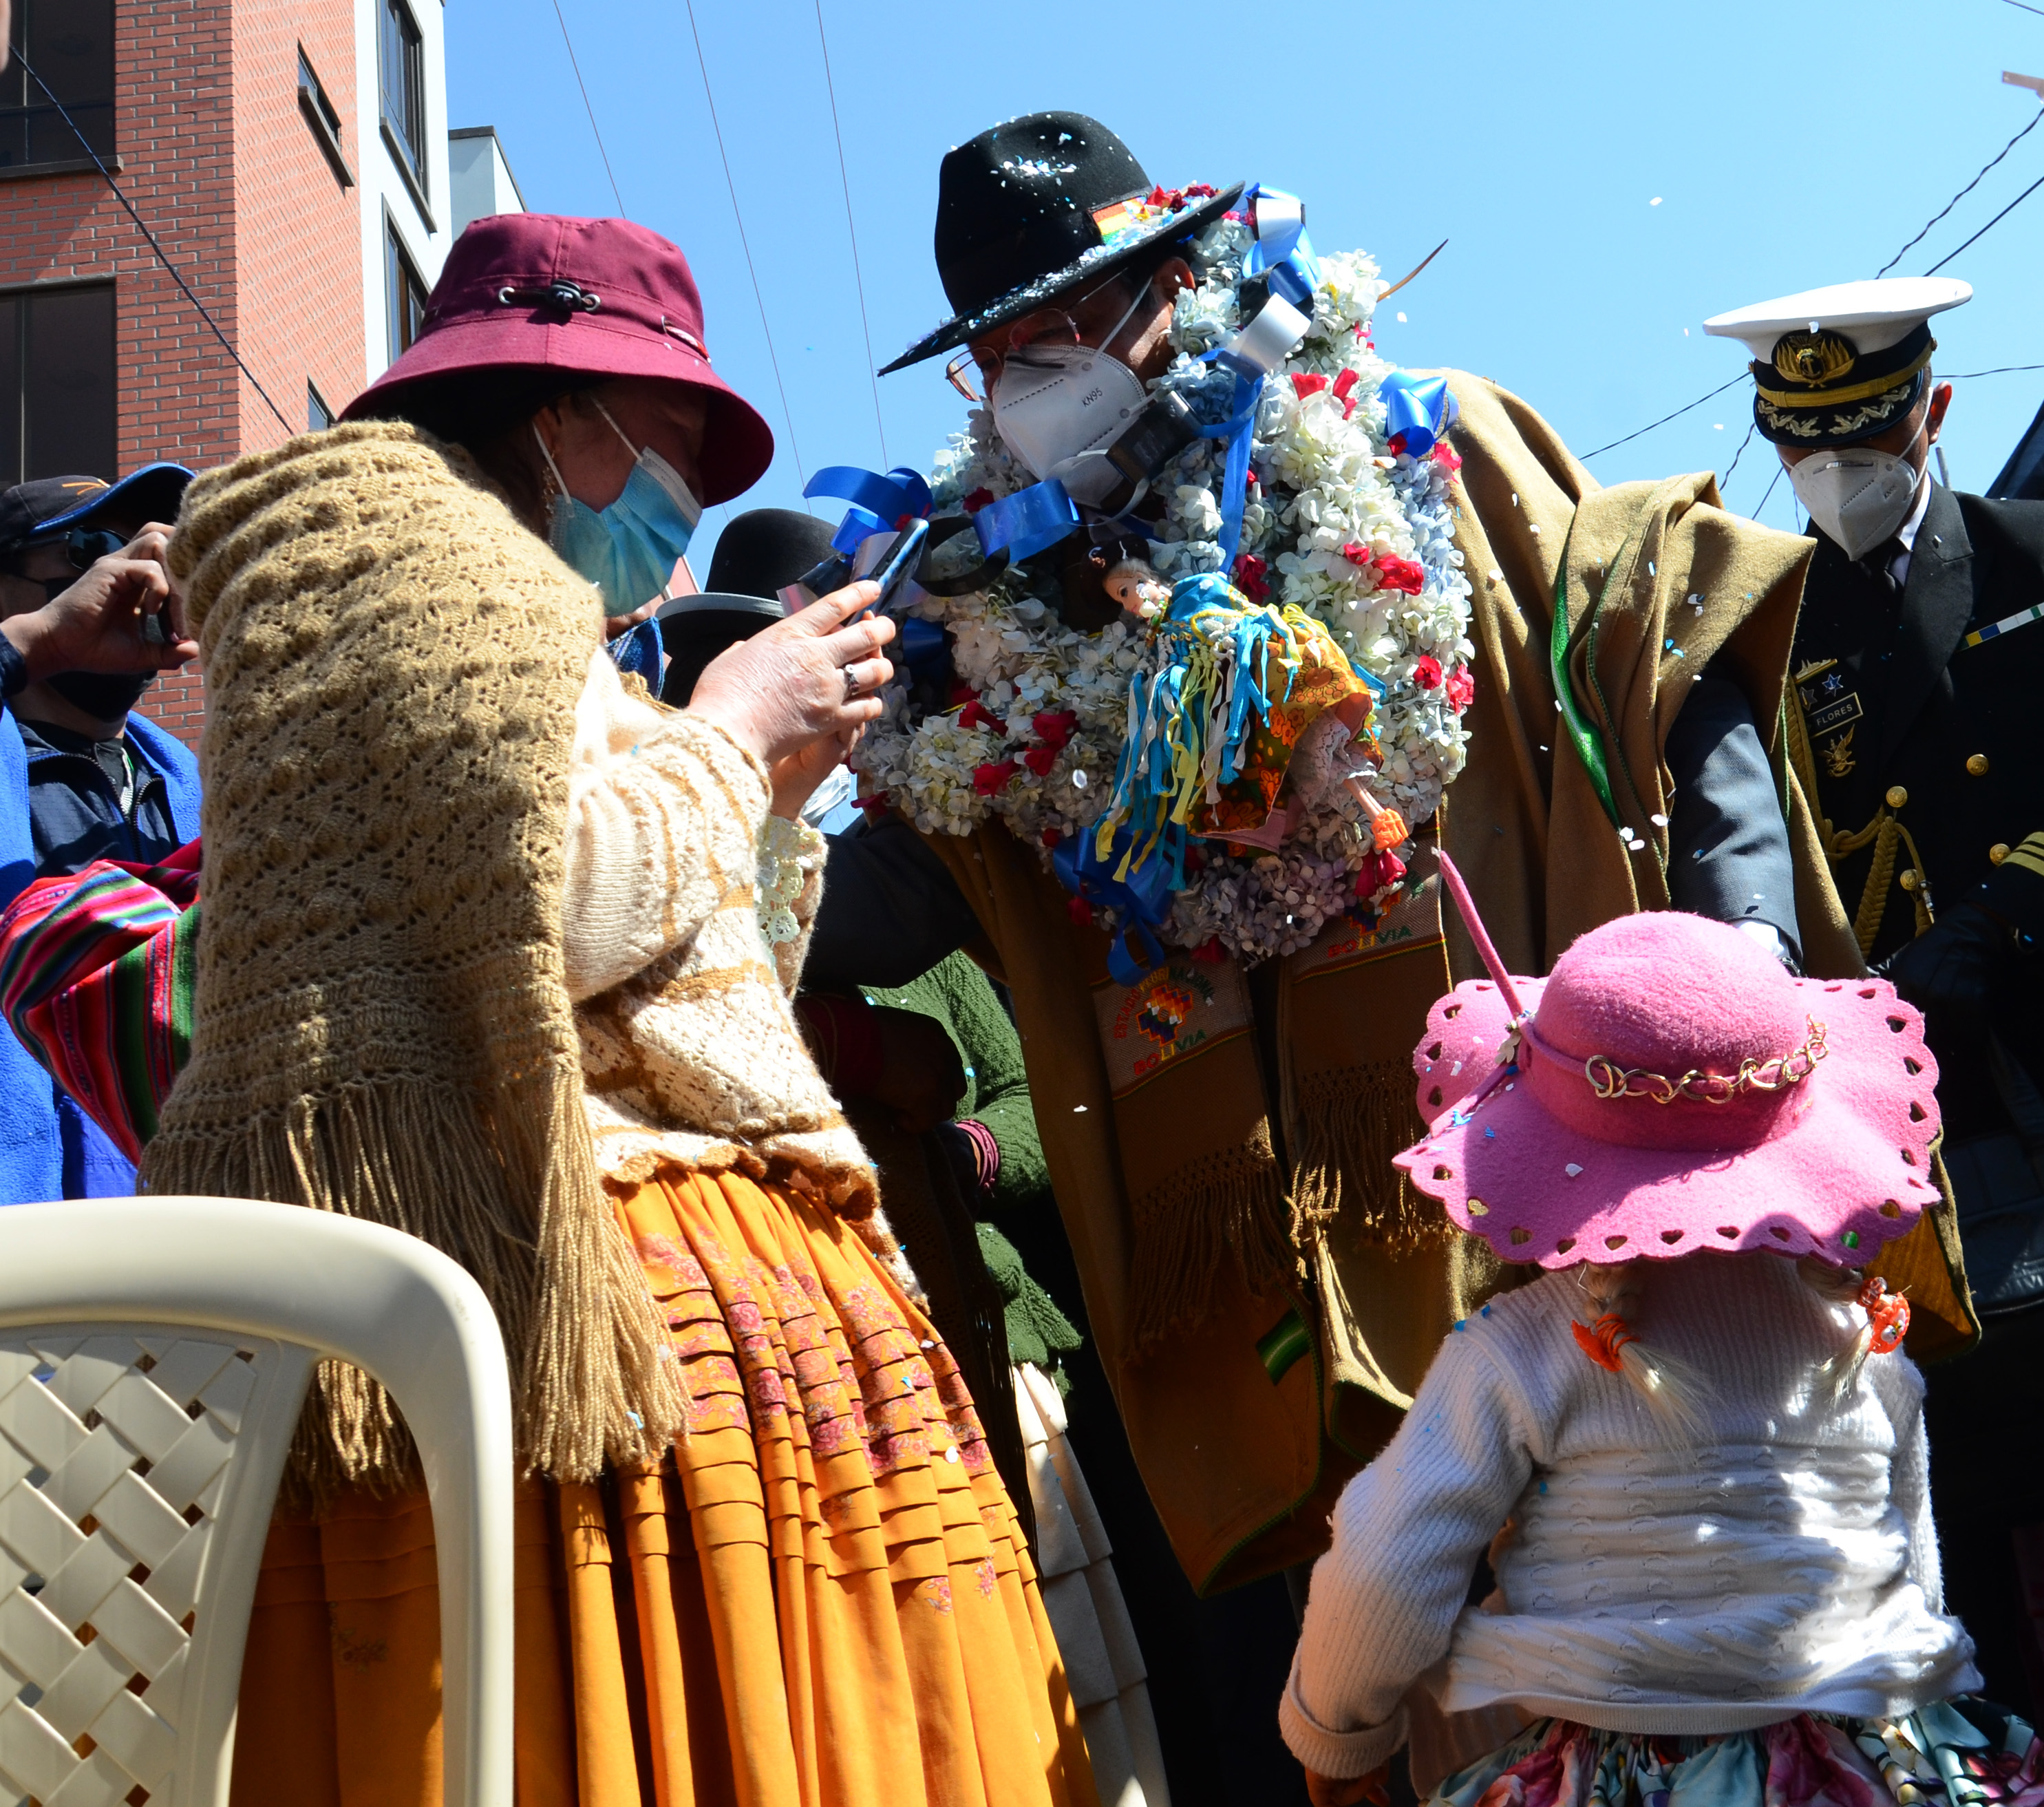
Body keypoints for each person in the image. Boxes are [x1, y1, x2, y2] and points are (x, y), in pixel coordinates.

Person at [22, 212, 1094, 1806]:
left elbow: (668, 967)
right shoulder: (399, 563)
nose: (685, 507)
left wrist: (766, 791)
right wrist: (734, 735)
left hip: (656, 1333)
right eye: (671, 444)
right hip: (574, 1342)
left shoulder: (519, 616)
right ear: (557, 410)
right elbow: (524, 917)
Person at [831, 110, 1966, 1601]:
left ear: (1179, 281)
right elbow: (926, 872)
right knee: (1388, 1609)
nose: (1034, 374)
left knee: (1652, 1562)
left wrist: (1743, 955)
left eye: (1065, 325)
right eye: (998, 352)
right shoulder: (986, 612)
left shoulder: (1423, 442)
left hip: (1538, 1145)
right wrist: (717, 845)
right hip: (1268, 1237)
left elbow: (1656, 641)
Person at [1282, 858, 2036, 1807]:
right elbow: (1909, 1577)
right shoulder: (1861, 1333)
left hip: (1631, 1776)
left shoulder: (1520, 1350)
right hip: (1879, 1764)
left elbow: (1389, 1564)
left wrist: (1339, 1739)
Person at [1706, 279, 2044, 1711]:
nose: (1835, 471)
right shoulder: (1762, 633)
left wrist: (2002, 916)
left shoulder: (2030, 552)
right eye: (1805, 445)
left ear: (1935, 411)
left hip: (2030, 1018)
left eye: (1865, 436)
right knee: (1951, 1483)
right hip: (1904, 1109)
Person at [0, 465, 198, 1201]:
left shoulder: (191, 783)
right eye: (89, 550)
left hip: (179, 1222)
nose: (132, 576)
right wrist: (42, 643)